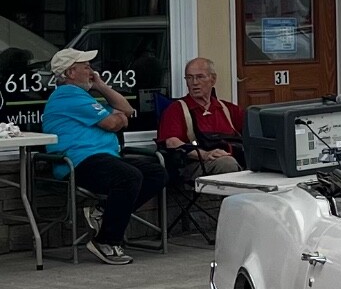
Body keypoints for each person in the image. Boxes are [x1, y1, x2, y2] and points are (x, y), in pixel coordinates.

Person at [40, 48, 166, 266]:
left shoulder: (84, 95)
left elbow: (126, 110)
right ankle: (106, 241)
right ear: (70, 73)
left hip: (104, 158)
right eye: (87, 67)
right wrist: (117, 118)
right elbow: (112, 123)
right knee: (129, 176)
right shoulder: (67, 95)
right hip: (78, 162)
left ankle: (102, 212)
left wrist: (100, 85)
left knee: (157, 172)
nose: (92, 71)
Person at [157, 57, 243, 176]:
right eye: (189, 77)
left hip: (233, 158)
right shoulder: (176, 109)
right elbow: (171, 142)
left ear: (213, 79)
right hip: (196, 163)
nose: (194, 82)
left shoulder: (228, 109)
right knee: (227, 164)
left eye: (200, 77)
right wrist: (205, 155)